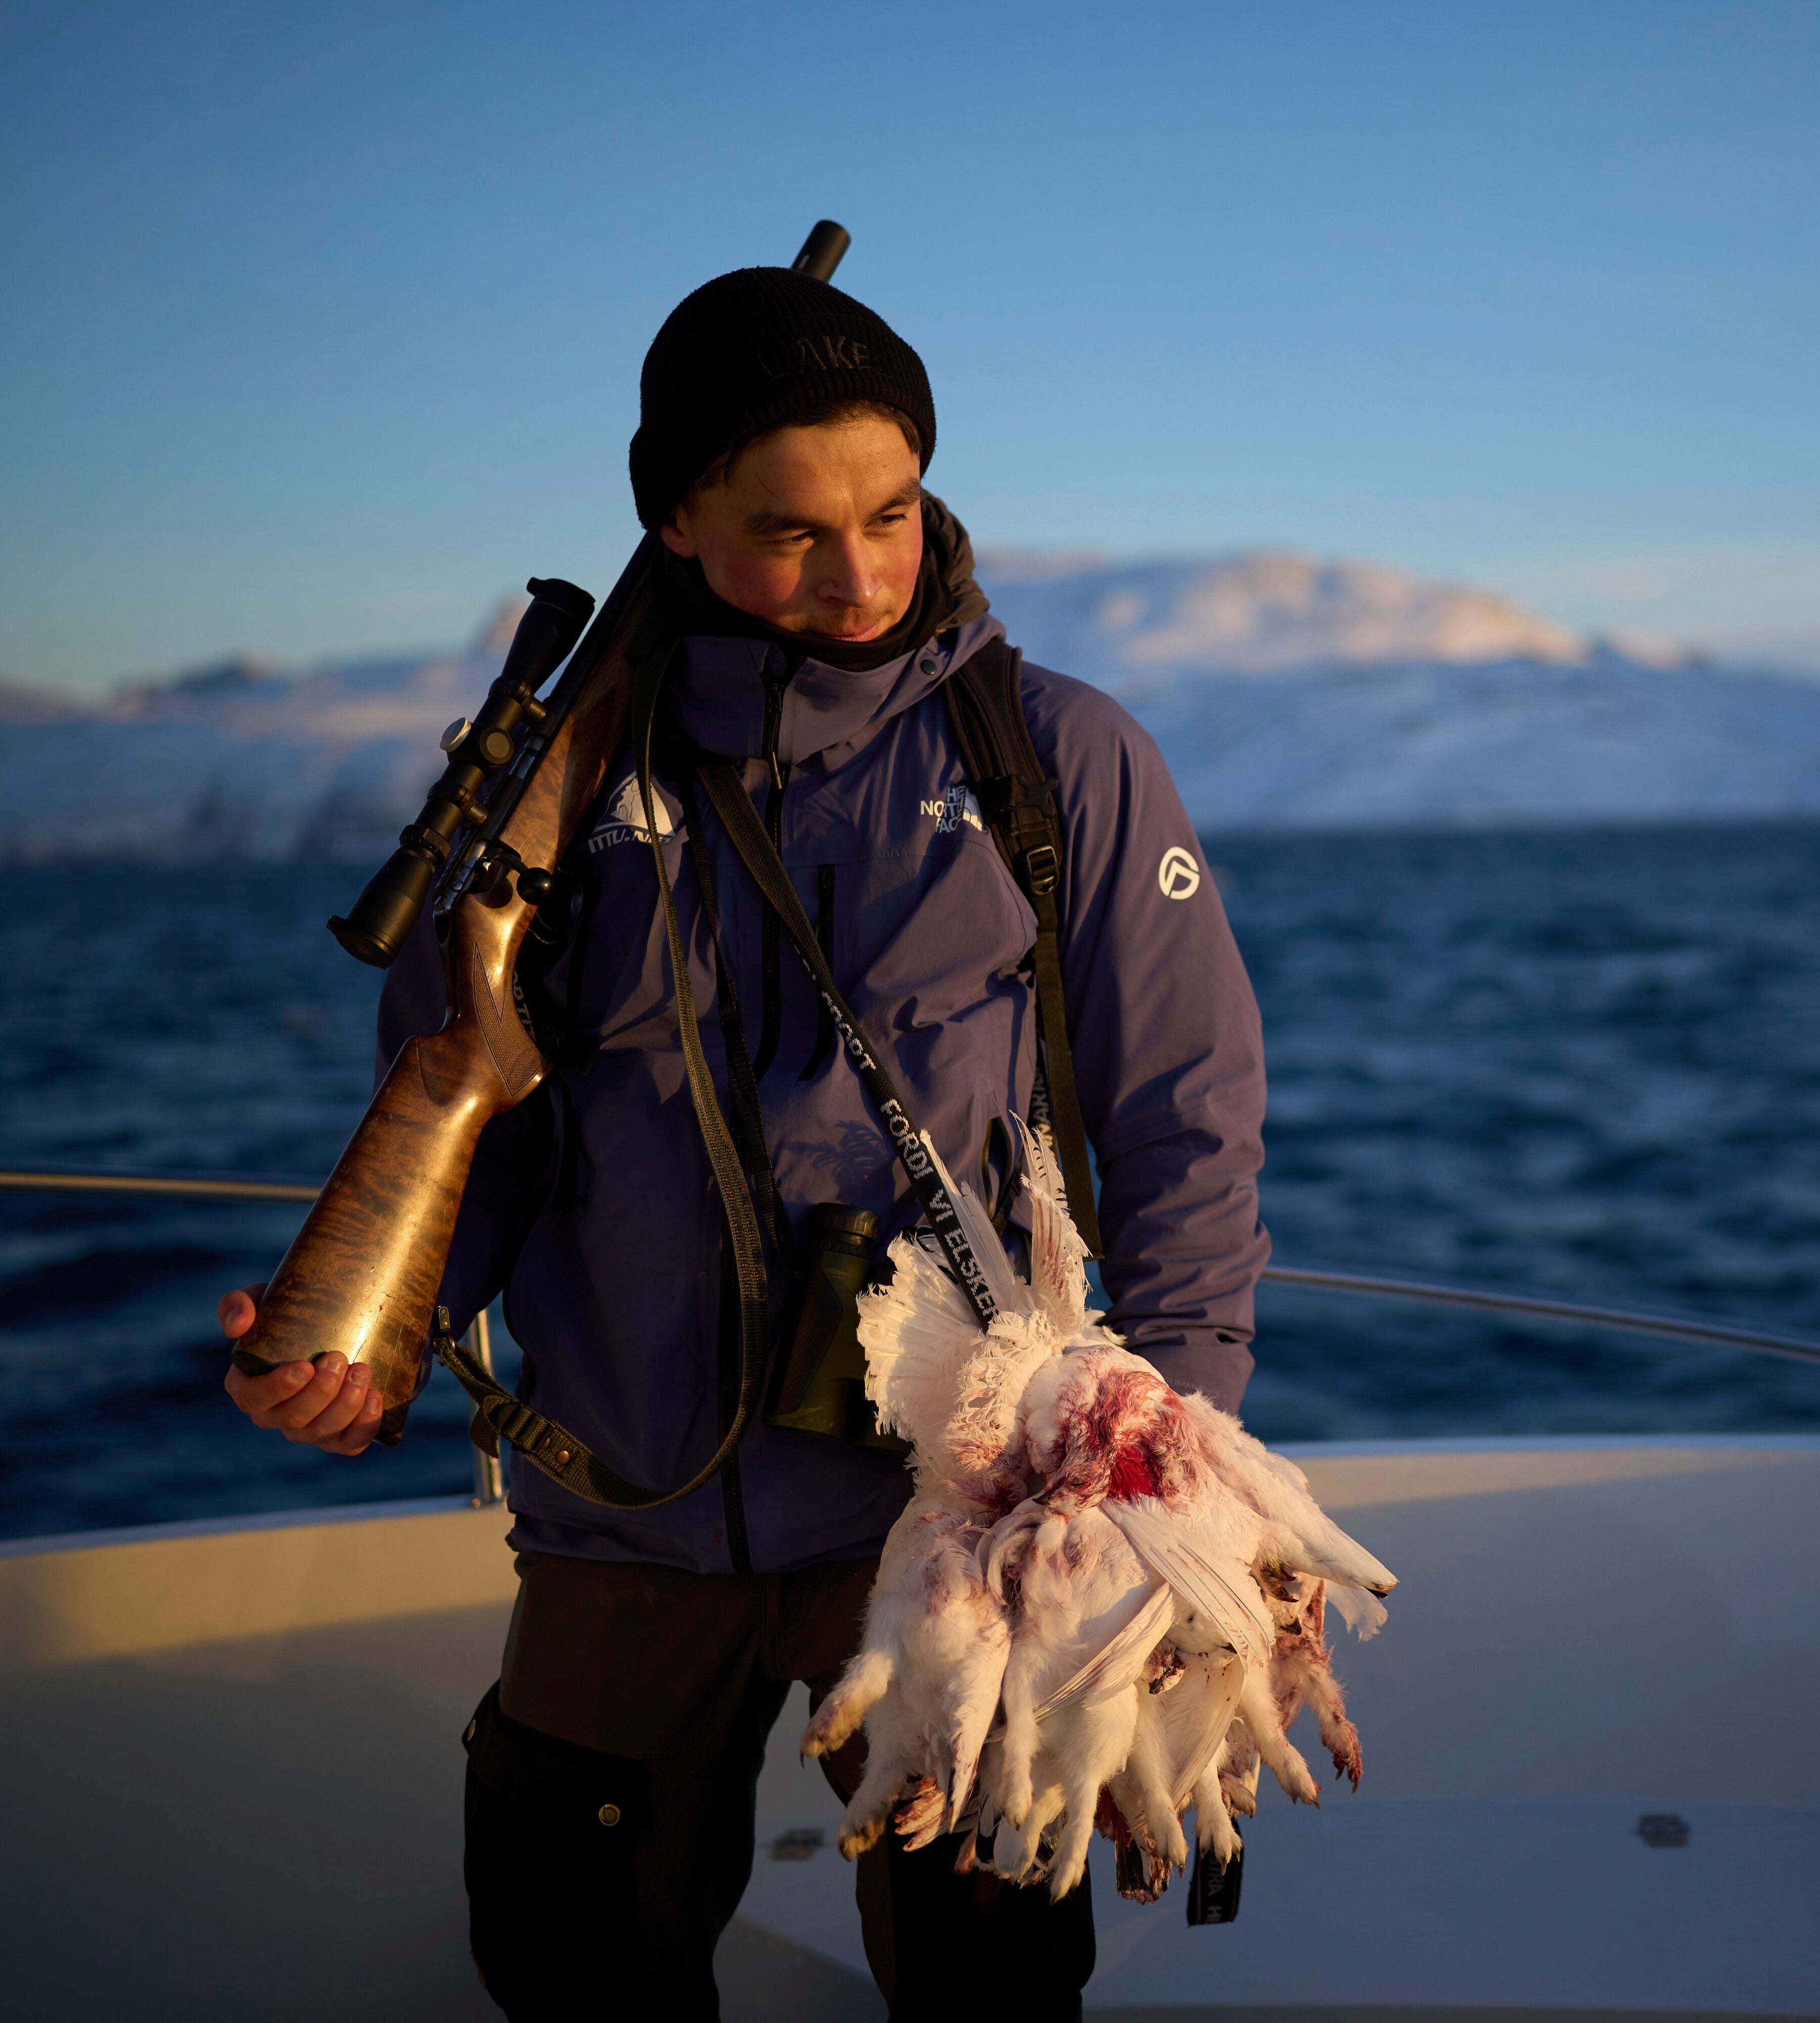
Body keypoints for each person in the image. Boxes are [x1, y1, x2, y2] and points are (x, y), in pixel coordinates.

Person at [216, 260, 1268, 2021]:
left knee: (989, 1978)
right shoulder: (548, 798)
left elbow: (1186, 1120)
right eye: (789, 532)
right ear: (679, 519)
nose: (858, 575)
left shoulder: (1053, 757)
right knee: (568, 1956)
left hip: (958, 1505)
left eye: (892, 511)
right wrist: (367, 1345)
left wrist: (1168, 1443)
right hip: (628, 1507)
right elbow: (468, 1128)